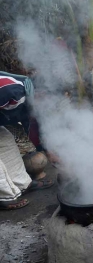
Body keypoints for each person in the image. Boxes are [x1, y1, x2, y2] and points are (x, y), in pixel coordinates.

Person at [0, 74, 55, 210]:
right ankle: (4, 197)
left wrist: (48, 150)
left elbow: (33, 126)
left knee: (5, 138)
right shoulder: (11, 90)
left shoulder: (27, 102)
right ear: (40, 92)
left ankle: (22, 184)